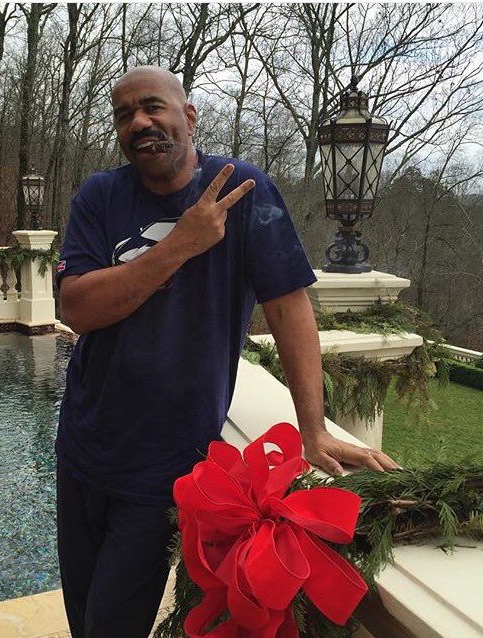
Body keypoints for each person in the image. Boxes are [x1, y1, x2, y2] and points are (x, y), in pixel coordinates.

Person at [54, 66, 398, 638]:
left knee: (111, 624)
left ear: (189, 117)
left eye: (153, 106)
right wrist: (180, 245)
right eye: (124, 114)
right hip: (82, 448)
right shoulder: (101, 195)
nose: (139, 122)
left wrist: (313, 430)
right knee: (81, 614)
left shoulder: (244, 190)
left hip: (164, 467)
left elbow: (289, 310)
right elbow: (77, 308)